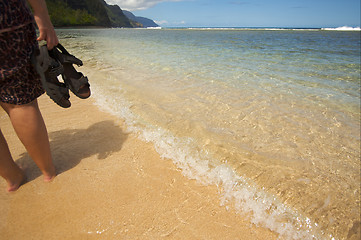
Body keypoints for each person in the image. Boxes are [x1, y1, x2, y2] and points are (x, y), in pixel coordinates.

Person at [0, 0, 58, 192]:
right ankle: (48, 171)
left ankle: (12, 176)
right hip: (6, 18)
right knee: (19, 101)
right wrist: (41, 13)